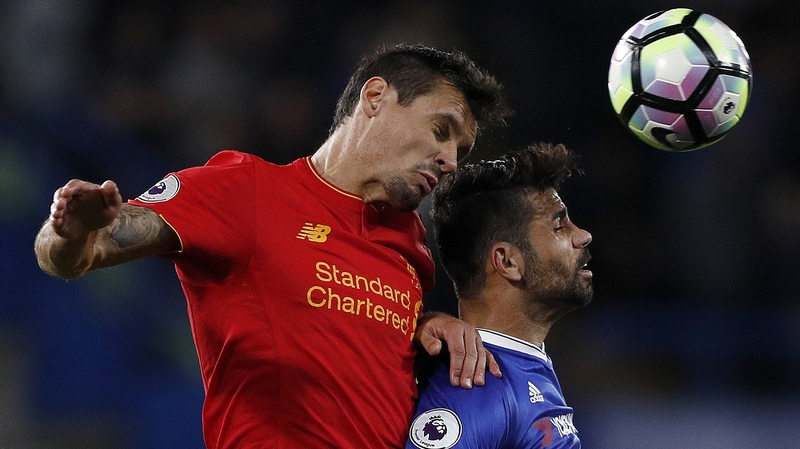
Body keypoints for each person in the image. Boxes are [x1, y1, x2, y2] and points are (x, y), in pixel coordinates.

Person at [34, 44, 512, 448]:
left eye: (461, 152)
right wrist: (70, 231)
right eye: (440, 130)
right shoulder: (247, 191)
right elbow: (78, 254)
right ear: (375, 97)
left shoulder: (410, 246)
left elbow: (352, 345)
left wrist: (430, 326)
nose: (450, 161)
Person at [407, 142, 591, 449]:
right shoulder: (474, 385)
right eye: (559, 225)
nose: (583, 235)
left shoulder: (518, 366)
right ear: (507, 262)